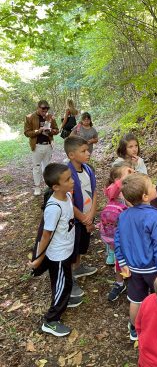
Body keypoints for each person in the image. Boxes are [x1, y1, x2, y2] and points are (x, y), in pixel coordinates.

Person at [114, 173, 157, 341]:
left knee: (136, 299)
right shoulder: (155, 216)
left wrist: (122, 262)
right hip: (153, 268)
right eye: (152, 186)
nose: (155, 187)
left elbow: (118, 239)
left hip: (133, 268)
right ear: (145, 196)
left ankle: (134, 329)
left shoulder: (123, 215)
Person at [28, 163, 76, 337]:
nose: (72, 181)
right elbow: (45, 235)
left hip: (66, 250)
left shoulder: (67, 196)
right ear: (55, 186)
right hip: (59, 254)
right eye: (68, 180)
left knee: (64, 282)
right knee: (62, 285)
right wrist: (38, 259)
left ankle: (63, 299)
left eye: (71, 177)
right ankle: (51, 320)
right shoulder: (53, 208)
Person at [64, 136, 98, 302]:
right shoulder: (67, 174)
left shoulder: (88, 170)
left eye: (87, 150)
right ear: (71, 155)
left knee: (82, 245)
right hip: (76, 220)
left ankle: (78, 268)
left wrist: (91, 214)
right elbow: (68, 201)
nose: (88, 153)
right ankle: (70, 281)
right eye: (83, 151)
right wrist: (84, 218)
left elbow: (94, 191)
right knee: (72, 248)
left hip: (87, 217)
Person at [98, 161, 134, 301]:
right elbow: (112, 191)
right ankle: (120, 283)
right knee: (120, 259)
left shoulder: (131, 189)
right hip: (117, 234)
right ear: (116, 180)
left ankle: (134, 282)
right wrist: (122, 182)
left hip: (131, 232)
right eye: (127, 173)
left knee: (132, 257)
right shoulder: (113, 190)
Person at [24, 100, 59, 196]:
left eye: (46, 109)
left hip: (48, 145)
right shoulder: (30, 117)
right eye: (43, 109)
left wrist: (51, 131)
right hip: (37, 146)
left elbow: (57, 130)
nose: (45, 111)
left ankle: (48, 186)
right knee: (36, 167)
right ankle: (37, 187)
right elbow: (27, 133)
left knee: (47, 167)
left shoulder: (50, 117)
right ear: (38, 107)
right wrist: (38, 131)